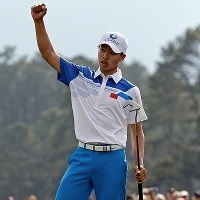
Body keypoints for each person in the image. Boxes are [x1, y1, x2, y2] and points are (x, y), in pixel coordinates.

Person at [31, 3, 148, 200]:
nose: (105, 55)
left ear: (122, 57)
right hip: (82, 155)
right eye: (102, 49)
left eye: (111, 52)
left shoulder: (130, 91)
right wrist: (39, 21)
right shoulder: (80, 77)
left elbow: (136, 132)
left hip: (113, 159)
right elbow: (47, 53)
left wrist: (140, 164)